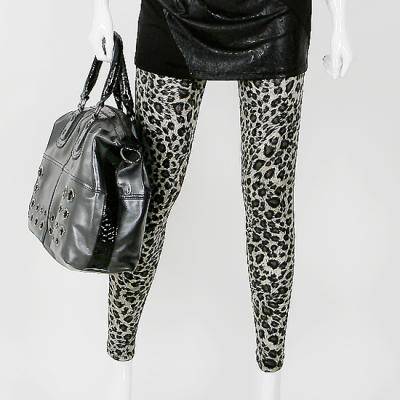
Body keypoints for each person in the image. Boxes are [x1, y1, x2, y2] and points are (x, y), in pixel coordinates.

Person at [88, 0, 352, 398]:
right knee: (149, 200)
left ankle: (270, 385)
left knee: (270, 205)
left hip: (276, 16)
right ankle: (118, 373)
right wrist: (99, 9)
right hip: (174, 12)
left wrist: (340, 20)